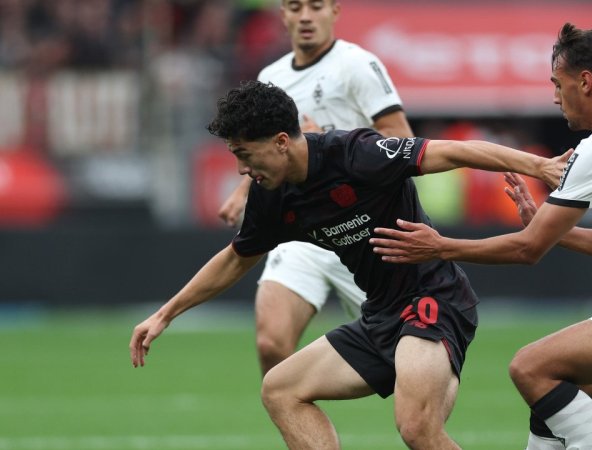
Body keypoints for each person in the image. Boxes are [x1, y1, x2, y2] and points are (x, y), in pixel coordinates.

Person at [129, 80, 567, 449]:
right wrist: (165, 315)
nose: (242, 169)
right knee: (280, 389)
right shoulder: (272, 195)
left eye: (246, 154)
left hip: (431, 301)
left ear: (282, 142)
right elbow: (235, 259)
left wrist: (539, 165)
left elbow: (453, 152)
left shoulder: (357, 154)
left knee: (416, 428)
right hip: (380, 315)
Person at [370, 23, 592, 449]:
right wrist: (554, 233)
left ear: (585, 81)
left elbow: (528, 250)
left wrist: (439, 247)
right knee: (557, 401)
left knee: (529, 367)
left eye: (557, 84)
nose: (555, 97)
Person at [217, 0, 414, 376]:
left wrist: (328, 141)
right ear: (283, 16)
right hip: (303, 226)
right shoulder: (272, 75)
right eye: (295, 7)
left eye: (316, 6)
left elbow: (400, 139)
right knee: (271, 343)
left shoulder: (356, 65)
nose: (306, 16)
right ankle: (301, 422)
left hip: (361, 229)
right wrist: (243, 192)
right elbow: (268, 151)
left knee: (403, 363)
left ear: (334, 12)